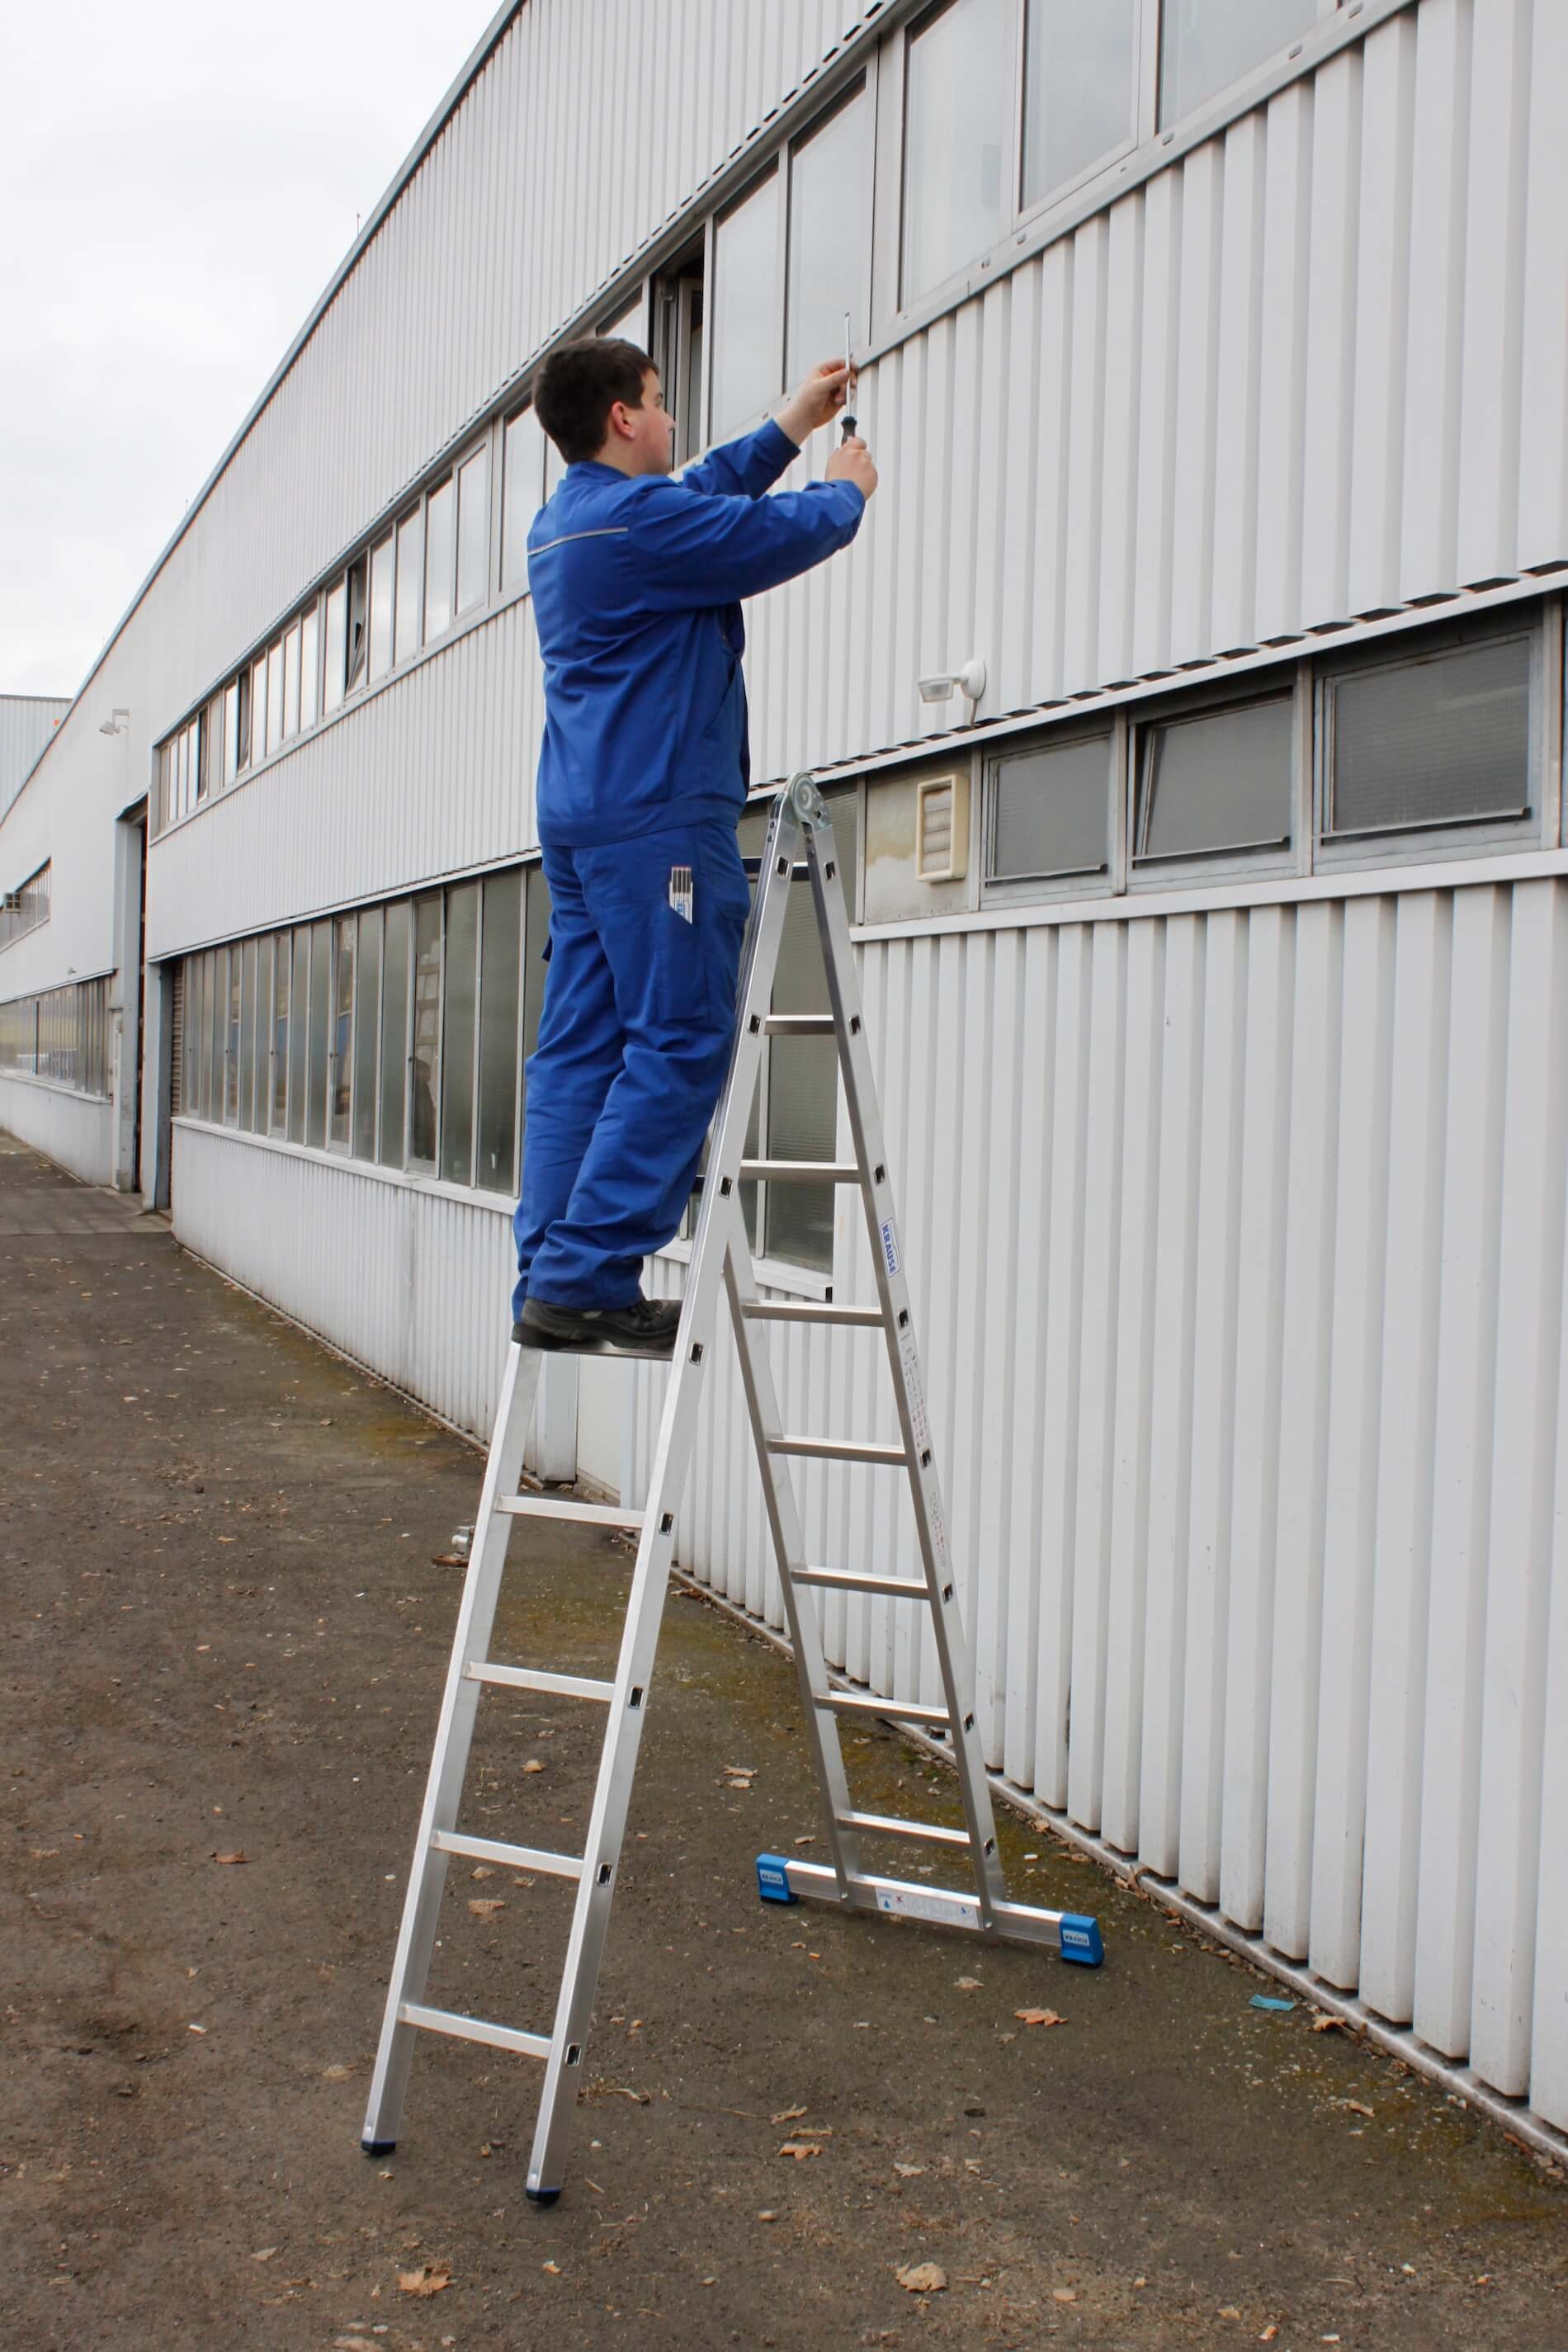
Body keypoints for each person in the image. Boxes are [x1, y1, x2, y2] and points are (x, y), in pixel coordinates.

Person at [512, 337, 878, 1358]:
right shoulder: (637, 526)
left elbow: (705, 492)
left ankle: (549, 1273)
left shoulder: (568, 523)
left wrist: (793, 423)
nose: (672, 421)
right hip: (659, 819)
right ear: (625, 416)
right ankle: (588, 1278)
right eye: (662, 402)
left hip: (585, 825)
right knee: (677, 1041)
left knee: (582, 1050)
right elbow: (757, 536)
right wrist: (842, 491)